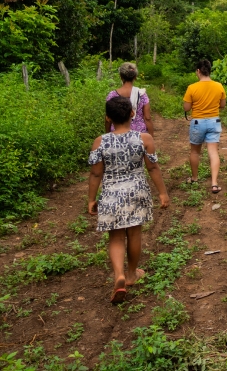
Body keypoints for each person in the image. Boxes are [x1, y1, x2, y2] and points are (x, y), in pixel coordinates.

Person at [88, 96, 169, 304]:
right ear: (133, 113)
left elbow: (96, 174)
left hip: (111, 194)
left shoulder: (100, 141)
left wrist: (91, 199)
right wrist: (162, 192)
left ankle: (119, 275)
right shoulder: (144, 139)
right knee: (134, 234)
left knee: (115, 237)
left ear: (108, 117)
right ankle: (132, 274)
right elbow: (152, 167)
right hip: (137, 191)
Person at [183, 59, 226, 194]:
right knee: (213, 152)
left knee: (195, 151)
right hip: (214, 121)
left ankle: (195, 178)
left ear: (198, 71)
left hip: (198, 123)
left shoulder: (192, 87)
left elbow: (187, 107)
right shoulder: (219, 86)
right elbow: (222, 105)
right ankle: (214, 184)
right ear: (209, 71)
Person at [105, 62, 153, 136]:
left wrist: (108, 135)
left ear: (121, 76)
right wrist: (151, 137)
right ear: (135, 77)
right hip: (139, 134)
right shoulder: (141, 94)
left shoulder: (112, 95)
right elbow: (147, 117)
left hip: (117, 134)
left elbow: (108, 119)